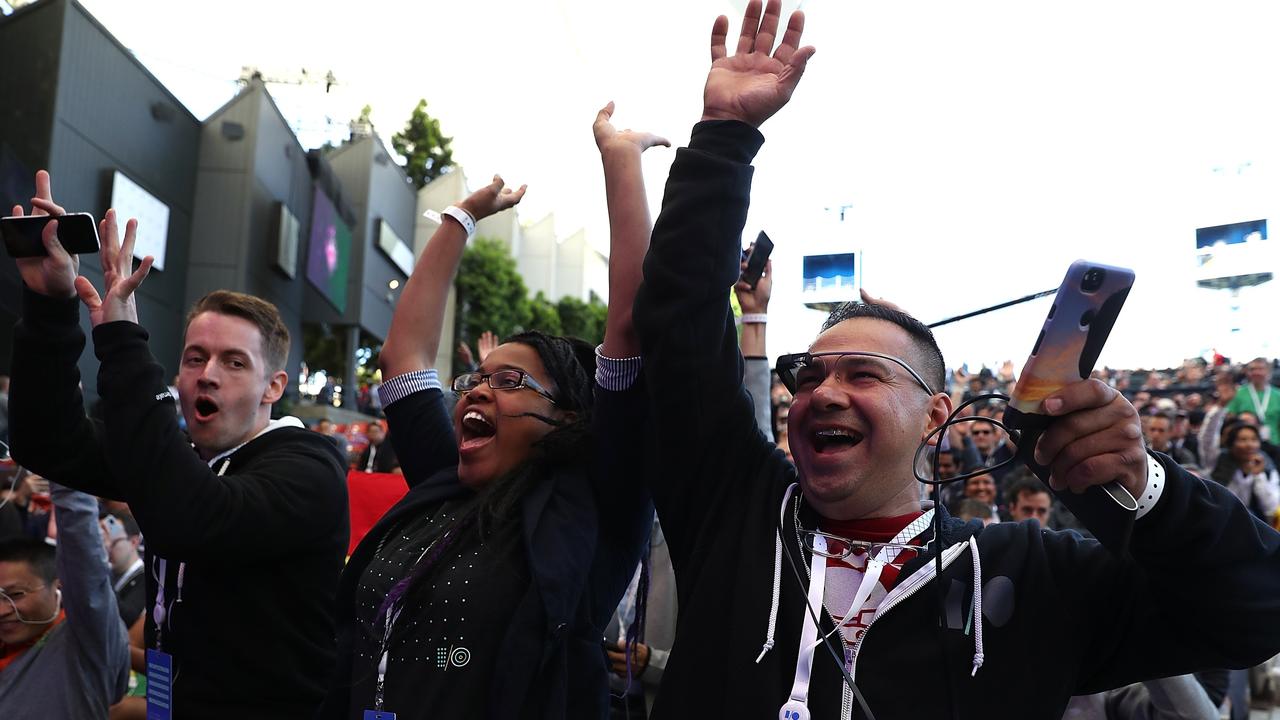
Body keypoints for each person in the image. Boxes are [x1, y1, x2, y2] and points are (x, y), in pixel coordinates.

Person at [630, 3, 1280, 717]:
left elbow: (1252, 613)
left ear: (937, 414)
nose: (823, 391)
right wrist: (724, 137)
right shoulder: (737, 511)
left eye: (864, 373)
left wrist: (1150, 491)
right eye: (809, 374)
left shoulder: (1030, 573)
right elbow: (679, 319)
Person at [319, 104, 660, 719]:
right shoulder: (448, 482)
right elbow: (403, 360)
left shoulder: (594, 506)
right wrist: (460, 219)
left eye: (510, 381)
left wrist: (621, 167)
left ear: (566, 417)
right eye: (477, 377)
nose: (477, 391)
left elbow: (631, 338)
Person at [8, 171, 349, 718]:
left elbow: (192, 518)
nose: (207, 375)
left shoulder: (309, 468)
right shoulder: (183, 460)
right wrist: (49, 306)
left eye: (234, 362)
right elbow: (47, 442)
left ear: (274, 388)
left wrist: (121, 339)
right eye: (195, 358)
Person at [0, 482, 129, 715]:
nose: (2, 610)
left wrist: (68, 475)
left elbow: (85, 566)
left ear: (58, 584)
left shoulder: (86, 639)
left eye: (16, 595)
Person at [1210, 423, 1280, 522]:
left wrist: (1259, 475)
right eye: (1242, 440)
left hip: (1254, 524)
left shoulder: (1267, 467)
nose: (1250, 445)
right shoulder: (1219, 461)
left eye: (1254, 440)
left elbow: (1272, 509)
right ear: (1231, 444)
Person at [99, 510, 145, 627]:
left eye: (112, 542)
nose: (105, 548)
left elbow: (129, 617)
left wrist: (102, 567)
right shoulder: (113, 574)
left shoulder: (145, 578)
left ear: (134, 542)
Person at [1226, 358, 1279, 443]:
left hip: (1274, 443)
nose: (1256, 372)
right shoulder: (1238, 393)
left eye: (1260, 369)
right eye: (1252, 369)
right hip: (1245, 444)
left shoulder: (1277, 395)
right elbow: (1230, 418)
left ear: (1268, 371)